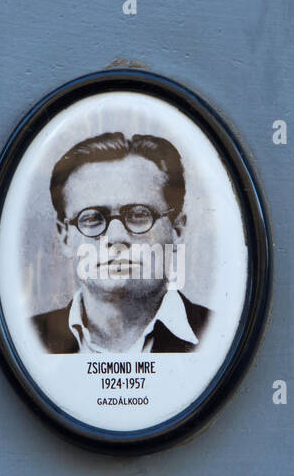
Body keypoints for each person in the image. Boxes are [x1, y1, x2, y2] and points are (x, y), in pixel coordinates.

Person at [31, 132, 210, 353]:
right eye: (92, 218)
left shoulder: (215, 335)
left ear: (177, 230)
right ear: (65, 235)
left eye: (138, 215)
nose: (116, 239)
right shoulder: (30, 341)